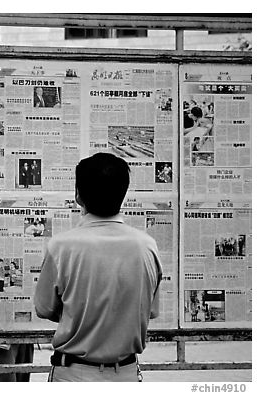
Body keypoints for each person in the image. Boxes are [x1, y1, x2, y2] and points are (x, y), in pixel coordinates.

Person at [34, 152, 162, 382]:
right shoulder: (147, 247)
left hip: (73, 374)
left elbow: (44, 309)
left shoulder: (61, 247)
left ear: (78, 195)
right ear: (123, 193)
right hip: (126, 373)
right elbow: (151, 310)